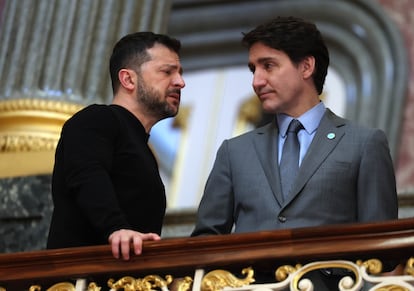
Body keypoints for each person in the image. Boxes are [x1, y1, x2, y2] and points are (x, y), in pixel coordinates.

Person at [191, 16, 398, 288]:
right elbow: (205, 241)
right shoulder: (234, 151)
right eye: (253, 69)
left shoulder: (365, 143)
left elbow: (382, 250)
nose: (256, 81)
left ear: (306, 66)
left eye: (268, 66)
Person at [47, 31, 185, 261]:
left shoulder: (146, 151)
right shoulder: (96, 119)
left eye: (180, 73)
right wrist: (115, 227)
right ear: (128, 79)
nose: (180, 82)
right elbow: (86, 174)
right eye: (167, 71)